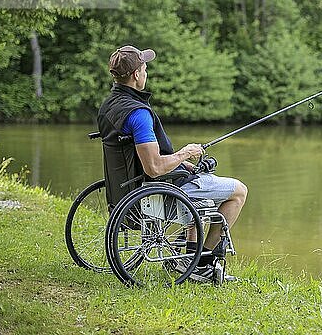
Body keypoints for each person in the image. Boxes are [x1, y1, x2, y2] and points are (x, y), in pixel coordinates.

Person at [97, 45, 247, 282]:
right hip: (156, 188)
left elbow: (138, 157)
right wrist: (185, 153)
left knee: (202, 182)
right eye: (144, 68)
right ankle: (202, 260)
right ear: (136, 74)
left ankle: (189, 253)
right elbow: (154, 168)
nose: (146, 73)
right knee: (238, 191)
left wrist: (179, 162)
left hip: (127, 185)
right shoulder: (139, 114)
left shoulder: (109, 106)